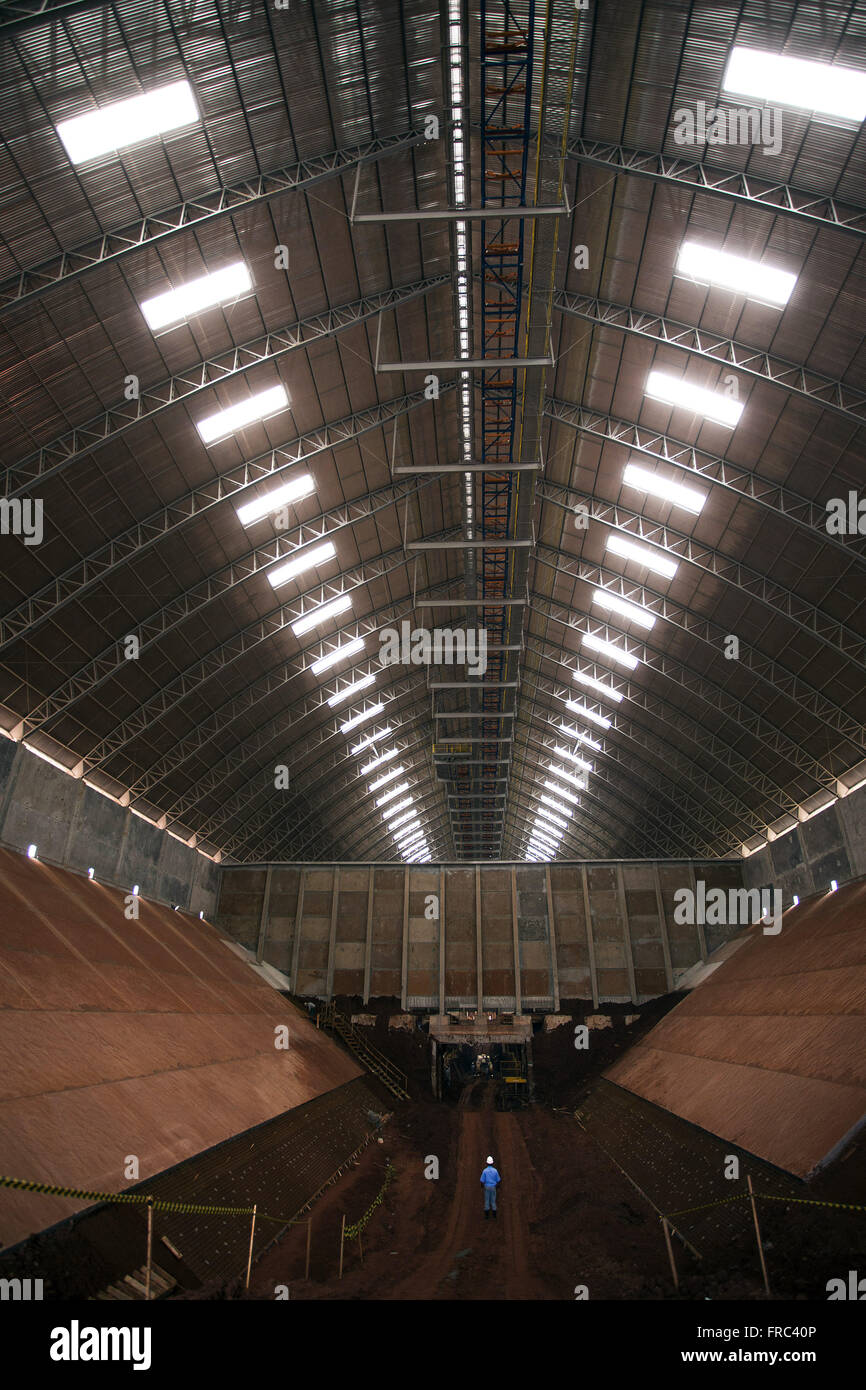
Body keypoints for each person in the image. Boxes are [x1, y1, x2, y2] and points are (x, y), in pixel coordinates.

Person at [480, 1155, 501, 1220]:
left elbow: (482, 1180)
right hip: (493, 1187)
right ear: (492, 1163)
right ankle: (494, 1216)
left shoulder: (485, 1171)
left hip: (486, 1187)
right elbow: (498, 1180)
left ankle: (487, 1216)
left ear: (487, 1163)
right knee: (493, 1201)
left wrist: (482, 1186)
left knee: (487, 1200)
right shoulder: (495, 1171)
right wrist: (497, 1186)